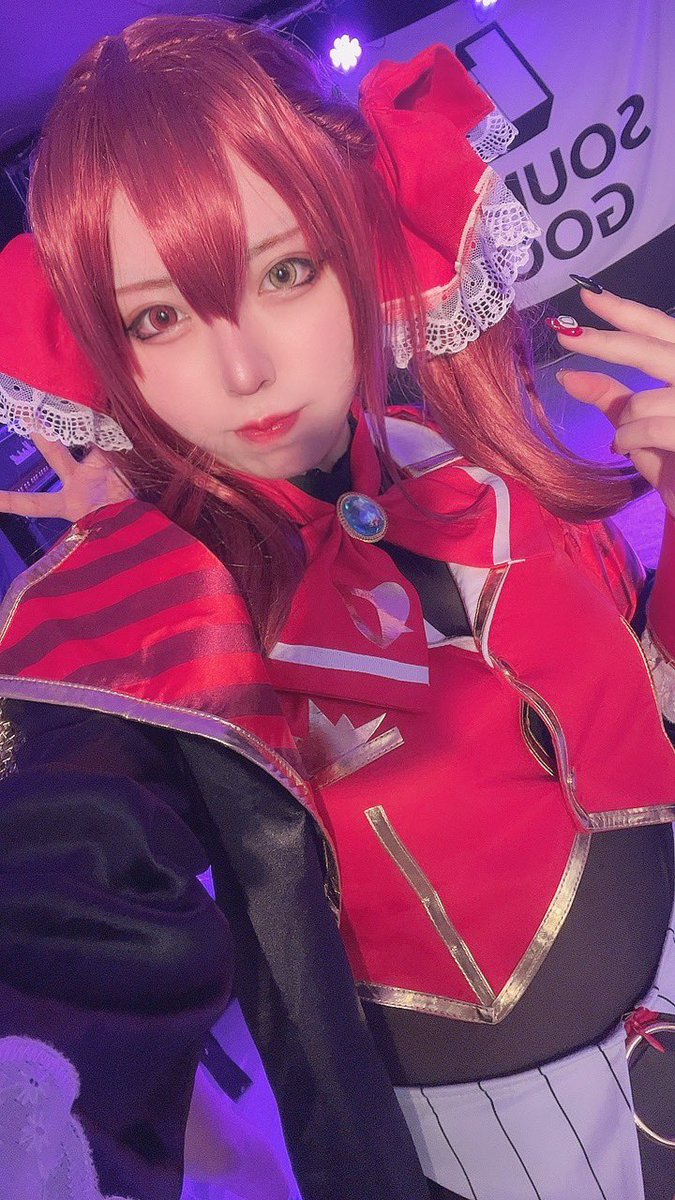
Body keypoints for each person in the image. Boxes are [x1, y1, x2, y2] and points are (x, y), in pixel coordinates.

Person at [0, 14, 673, 1200]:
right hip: (506, 1156)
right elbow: (74, 901)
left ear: (357, 246)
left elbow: (650, 705)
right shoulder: (140, 625)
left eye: (284, 273)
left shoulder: (484, 475)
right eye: (160, 319)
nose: (245, 372)